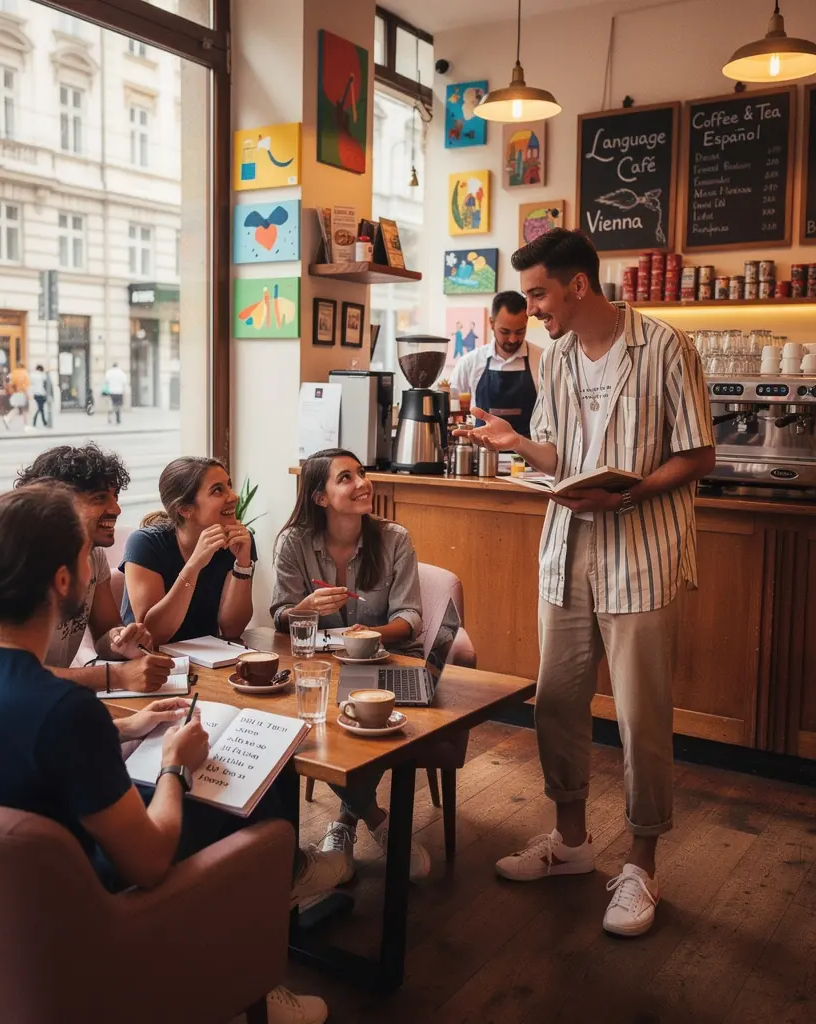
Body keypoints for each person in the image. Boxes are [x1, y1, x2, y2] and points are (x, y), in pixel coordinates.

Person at [0, 485, 334, 1024]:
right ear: (62, 580)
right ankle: (252, 981)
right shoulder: (63, 712)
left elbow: (9, 734)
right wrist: (174, 765)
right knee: (255, 800)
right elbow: (148, 863)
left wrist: (129, 726)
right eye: (87, 556)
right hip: (74, 917)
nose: (94, 569)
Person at [457, 228, 715, 937]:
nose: (532, 309)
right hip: (566, 550)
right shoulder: (560, 358)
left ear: (577, 285)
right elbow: (558, 453)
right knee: (558, 704)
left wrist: (625, 495)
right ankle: (570, 843)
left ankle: (641, 866)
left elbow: (699, 454)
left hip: (641, 553)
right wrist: (517, 445)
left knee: (640, 718)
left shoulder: (666, 347)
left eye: (539, 294)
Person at [270, 448, 431, 882]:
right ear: (320, 497)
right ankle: (375, 818)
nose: (362, 483)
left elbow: (410, 619)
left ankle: (343, 821)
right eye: (346, 478)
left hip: (388, 660)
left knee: (365, 720)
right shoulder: (293, 542)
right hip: (324, 665)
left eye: (361, 473)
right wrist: (305, 607)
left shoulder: (394, 538)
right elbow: (281, 615)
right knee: (312, 722)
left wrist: (367, 635)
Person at [0, 444, 170, 695]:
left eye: (115, 496)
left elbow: (104, 635)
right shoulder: (18, 562)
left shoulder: (94, 555)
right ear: (57, 504)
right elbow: (16, 674)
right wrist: (116, 676)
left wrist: (121, 640)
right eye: (100, 498)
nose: (116, 509)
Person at [121, 457, 257, 646]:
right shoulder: (145, 544)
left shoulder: (236, 541)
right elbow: (151, 636)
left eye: (229, 486)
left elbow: (231, 630)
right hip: (144, 658)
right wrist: (194, 565)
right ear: (185, 509)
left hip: (206, 658)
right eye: (218, 490)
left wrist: (242, 565)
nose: (234, 497)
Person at [442, 291, 542, 439]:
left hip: (528, 452)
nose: (513, 339)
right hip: (482, 450)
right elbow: (452, 409)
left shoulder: (542, 360)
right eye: (505, 332)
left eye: (520, 331)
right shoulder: (470, 362)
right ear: (491, 323)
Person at [3, 361, 31, 431]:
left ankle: (7, 418)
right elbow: (25, 386)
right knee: (24, 409)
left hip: (15, 393)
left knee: (17, 408)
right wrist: (27, 394)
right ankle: (25, 426)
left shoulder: (13, 373)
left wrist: (10, 389)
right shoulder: (25, 373)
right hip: (22, 394)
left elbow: (7, 381)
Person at [30, 364, 50, 428]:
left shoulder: (32, 375)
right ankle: (36, 420)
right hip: (41, 394)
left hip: (36, 394)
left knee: (41, 408)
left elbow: (31, 384)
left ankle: (44, 422)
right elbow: (46, 382)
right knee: (40, 408)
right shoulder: (42, 375)